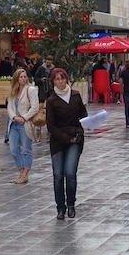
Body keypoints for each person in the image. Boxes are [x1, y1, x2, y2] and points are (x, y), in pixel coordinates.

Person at [45, 68, 87, 220]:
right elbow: (50, 126)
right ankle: (60, 207)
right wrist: (66, 138)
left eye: (62, 78)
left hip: (75, 138)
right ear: (53, 82)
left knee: (70, 173)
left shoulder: (75, 95)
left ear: (67, 79)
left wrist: (86, 124)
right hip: (58, 141)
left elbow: (83, 114)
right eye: (57, 79)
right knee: (58, 175)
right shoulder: (51, 101)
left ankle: (71, 205)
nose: (60, 82)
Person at [6, 68, 38, 184]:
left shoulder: (30, 90)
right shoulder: (13, 91)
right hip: (14, 123)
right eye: (21, 77)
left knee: (26, 149)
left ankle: (25, 174)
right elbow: (9, 107)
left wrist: (24, 117)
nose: (23, 79)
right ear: (16, 78)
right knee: (14, 149)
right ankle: (21, 172)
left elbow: (35, 107)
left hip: (25, 123)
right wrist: (14, 117)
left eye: (25, 77)